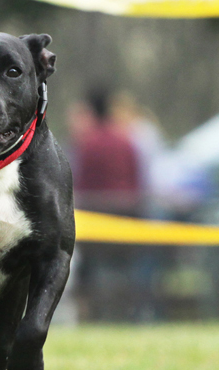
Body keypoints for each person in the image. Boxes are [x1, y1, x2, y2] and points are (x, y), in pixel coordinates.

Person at [69, 89, 152, 322]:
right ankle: (130, 315)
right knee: (127, 273)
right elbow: (137, 182)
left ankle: (98, 316)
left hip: (96, 220)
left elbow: (80, 182)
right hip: (128, 218)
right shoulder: (127, 141)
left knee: (95, 273)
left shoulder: (88, 143)